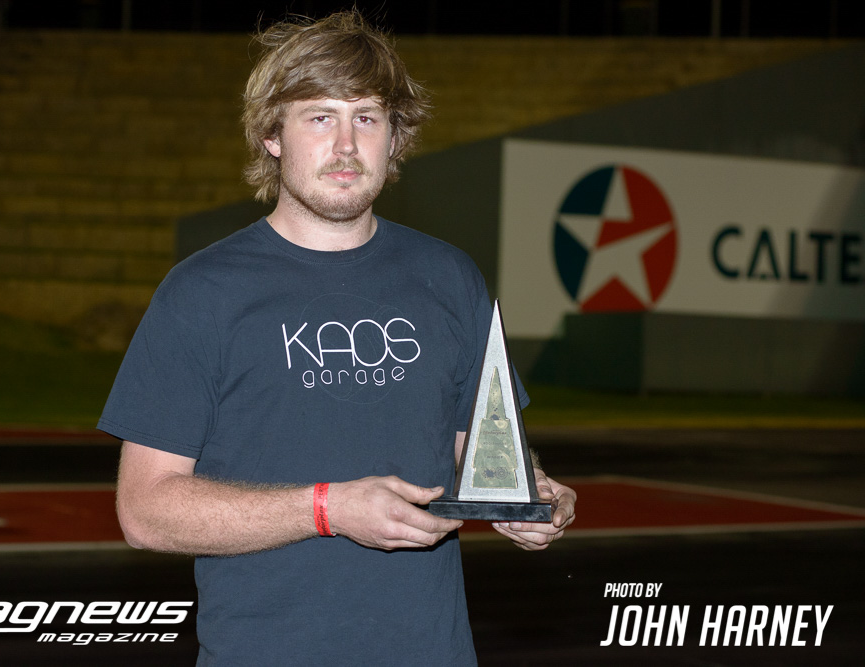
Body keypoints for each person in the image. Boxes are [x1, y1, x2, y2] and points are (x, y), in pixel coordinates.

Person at [99, 10, 576, 665]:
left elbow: (475, 454)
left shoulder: (449, 276)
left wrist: (528, 495)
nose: (347, 145)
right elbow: (144, 511)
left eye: (368, 118)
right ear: (272, 135)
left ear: (395, 137)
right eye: (321, 117)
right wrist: (327, 509)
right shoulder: (200, 292)